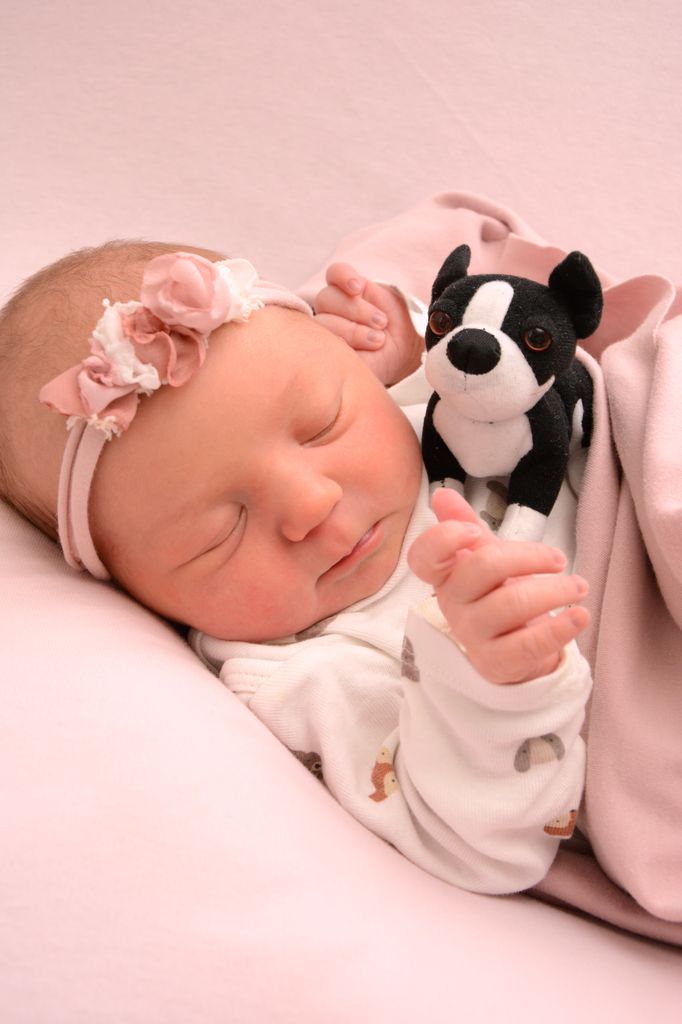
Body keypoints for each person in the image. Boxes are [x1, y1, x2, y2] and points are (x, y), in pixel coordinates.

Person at [0, 240, 593, 896]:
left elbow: (551, 362)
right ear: (139, 598)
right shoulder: (303, 676)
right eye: (220, 533)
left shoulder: (427, 409)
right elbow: (483, 850)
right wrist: (496, 685)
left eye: (320, 426)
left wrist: (409, 341)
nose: (311, 504)